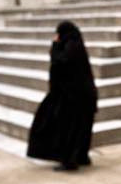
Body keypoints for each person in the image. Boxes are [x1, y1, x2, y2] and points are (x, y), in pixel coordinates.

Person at [27, 21, 98, 171]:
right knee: (81, 128)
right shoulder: (76, 43)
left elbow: (60, 61)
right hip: (82, 95)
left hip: (74, 97)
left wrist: (54, 45)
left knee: (70, 130)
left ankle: (70, 161)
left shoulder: (71, 45)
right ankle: (81, 157)